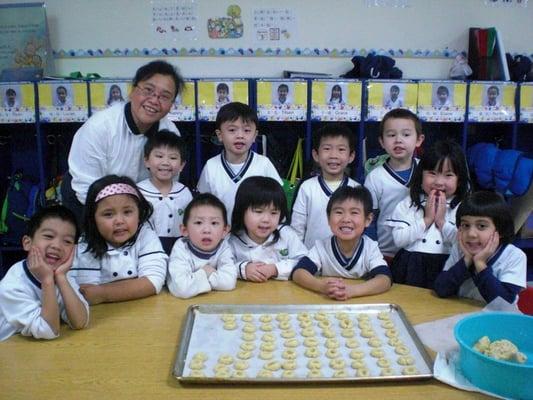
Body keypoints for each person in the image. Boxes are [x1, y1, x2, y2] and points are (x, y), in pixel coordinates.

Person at [62, 60, 185, 224]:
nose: (154, 101)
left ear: (171, 105)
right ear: (133, 91)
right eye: (148, 90)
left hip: (140, 212)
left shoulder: (170, 133)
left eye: (164, 96)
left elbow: (168, 182)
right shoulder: (99, 127)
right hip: (91, 206)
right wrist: (118, 223)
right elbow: (86, 188)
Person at [69, 175, 167, 305]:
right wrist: (138, 285)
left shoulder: (145, 235)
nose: (119, 221)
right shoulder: (86, 244)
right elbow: (87, 293)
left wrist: (103, 294)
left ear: (139, 213)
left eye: (127, 212)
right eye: (108, 214)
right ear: (93, 218)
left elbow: (154, 282)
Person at [385, 140, 471, 289]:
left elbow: (463, 243)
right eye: (432, 173)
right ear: (421, 174)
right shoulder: (409, 203)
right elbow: (399, 240)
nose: (439, 182)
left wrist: (441, 222)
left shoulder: (463, 207)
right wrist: (427, 220)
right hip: (410, 265)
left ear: (460, 179)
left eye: (448, 175)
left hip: (445, 265)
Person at [0, 205, 89, 341]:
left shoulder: (61, 274)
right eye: (48, 236)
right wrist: (47, 280)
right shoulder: (12, 285)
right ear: (27, 243)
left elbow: (80, 321)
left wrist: (61, 278)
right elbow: (48, 331)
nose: (57, 246)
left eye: (67, 241)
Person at [291, 186, 392, 300]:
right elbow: (299, 273)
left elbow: (384, 280)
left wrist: (351, 291)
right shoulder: (321, 247)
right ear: (328, 219)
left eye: (354, 212)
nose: (346, 219)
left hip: (359, 305)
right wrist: (322, 287)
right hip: (326, 303)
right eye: (339, 212)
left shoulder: (370, 249)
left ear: (368, 220)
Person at [434, 191, 526, 305]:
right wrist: (466, 260)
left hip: (500, 320)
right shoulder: (460, 249)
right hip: (463, 316)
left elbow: (503, 304)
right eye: (465, 225)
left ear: (500, 230)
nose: (471, 234)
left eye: (481, 226)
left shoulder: (514, 256)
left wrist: (480, 264)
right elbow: (441, 289)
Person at [197, 102, 282, 220]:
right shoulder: (211, 166)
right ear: (220, 135)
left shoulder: (264, 164)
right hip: (221, 235)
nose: (240, 135)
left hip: (256, 235)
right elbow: (203, 204)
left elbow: (278, 201)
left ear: (254, 136)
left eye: (247, 130)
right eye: (232, 130)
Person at [364, 108, 425, 261]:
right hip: (386, 253)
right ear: (382, 142)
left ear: (419, 140)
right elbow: (369, 219)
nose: (398, 140)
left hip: (419, 250)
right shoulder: (375, 177)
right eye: (391, 135)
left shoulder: (427, 172)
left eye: (406, 134)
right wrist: (373, 251)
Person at [291, 123, 359, 248]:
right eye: (327, 149)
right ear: (316, 155)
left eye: (341, 149)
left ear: (351, 156)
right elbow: (297, 228)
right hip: (310, 259)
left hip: (347, 260)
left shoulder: (357, 190)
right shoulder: (307, 188)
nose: (334, 155)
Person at [229, 176, 307, 282]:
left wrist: (275, 269)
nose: (266, 219)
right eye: (258, 211)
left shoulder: (287, 234)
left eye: (274, 213)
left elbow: (304, 261)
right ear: (241, 210)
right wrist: (243, 269)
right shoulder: (232, 240)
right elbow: (220, 266)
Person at [167, 193, 236, 298]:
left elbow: (230, 282)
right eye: (199, 223)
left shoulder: (224, 247)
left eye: (214, 223)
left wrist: (196, 280)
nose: (207, 230)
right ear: (184, 230)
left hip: (215, 302)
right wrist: (206, 272)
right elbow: (181, 289)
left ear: (225, 230)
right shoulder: (181, 248)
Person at [137, 130, 192, 255]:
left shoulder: (184, 193)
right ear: (146, 160)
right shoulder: (138, 192)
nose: (165, 162)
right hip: (145, 250)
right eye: (159, 156)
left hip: (180, 251)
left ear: (182, 165)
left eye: (172, 158)